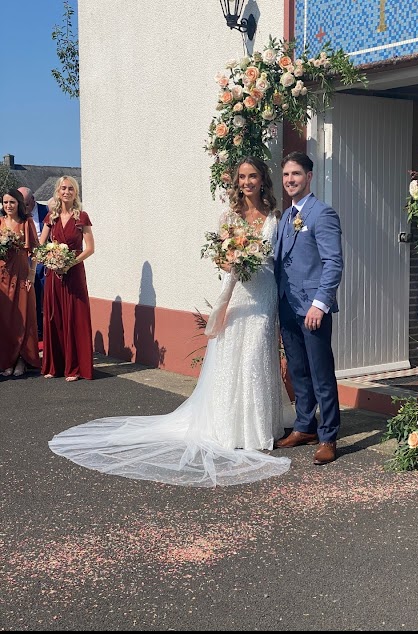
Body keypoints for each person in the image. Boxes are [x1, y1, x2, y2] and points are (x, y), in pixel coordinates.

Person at [48, 156, 292, 487]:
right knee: (234, 354)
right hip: (237, 293)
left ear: (263, 179)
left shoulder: (275, 217)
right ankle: (231, 426)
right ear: (237, 182)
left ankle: (261, 427)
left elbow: (277, 258)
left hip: (263, 294)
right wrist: (232, 258)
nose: (247, 182)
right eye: (242, 177)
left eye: (252, 176)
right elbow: (222, 260)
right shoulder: (229, 218)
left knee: (257, 354)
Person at [274, 151, 343, 465]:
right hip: (288, 306)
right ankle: (305, 426)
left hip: (313, 309)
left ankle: (328, 436)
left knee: (320, 373)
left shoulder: (322, 213)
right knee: (299, 371)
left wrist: (320, 304)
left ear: (309, 176)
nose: (290, 180)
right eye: (287, 175)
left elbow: (333, 263)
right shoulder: (286, 217)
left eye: (296, 174)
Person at [39, 175, 95, 381]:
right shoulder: (50, 217)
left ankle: (76, 368)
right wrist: (51, 259)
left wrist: (69, 263)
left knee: (76, 317)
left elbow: (90, 248)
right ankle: (56, 366)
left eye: (71, 189)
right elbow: (41, 245)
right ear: (58, 191)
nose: (66, 192)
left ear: (76, 192)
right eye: (63, 188)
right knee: (56, 317)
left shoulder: (82, 217)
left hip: (74, 273)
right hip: (55, 274)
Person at [0, 189, 40, 376]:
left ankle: (23, 360)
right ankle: (7, 360)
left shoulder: (27, 223)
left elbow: (36, 251)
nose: (8, 206)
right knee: (6, 319)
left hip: (23, 274)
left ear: (19, 204)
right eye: (5, 202)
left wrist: (32, 274)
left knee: (24, 316)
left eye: (12, 202)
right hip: (2, 276)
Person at [18, 187, 49, 340]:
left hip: (44, 258)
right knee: (31, 294)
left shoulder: (47, 211)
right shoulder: (17, 214)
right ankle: (36, 331)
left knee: (46, 293)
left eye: (26, 204)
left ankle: (48, 329)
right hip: (25, 258)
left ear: (33, 199)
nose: (24, 208)